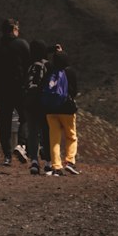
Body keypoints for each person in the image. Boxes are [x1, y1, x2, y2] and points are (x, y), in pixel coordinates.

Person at [0, 19, 30, 165]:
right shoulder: (22, 44)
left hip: (2, 90)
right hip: (19, 89)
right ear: (14, 28)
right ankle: (21, 145)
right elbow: (28, 65)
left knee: (4, 123)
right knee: (25, 117)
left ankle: (7, 156)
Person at [41, 45, 80, 176]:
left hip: (50, 110)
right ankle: (70, 162)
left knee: (54, 138)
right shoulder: (70, 72)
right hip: (67, 109)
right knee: (71, 136)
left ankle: (56, 165)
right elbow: (74, 90)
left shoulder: (50, 71)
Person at [22, 39, 50, 175]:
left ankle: (34, 161)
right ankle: (49, 162)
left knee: (32, 133)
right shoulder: (47, 65)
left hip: (29, 102)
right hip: (43, 103)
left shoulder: (29, 65)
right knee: (46, 132)